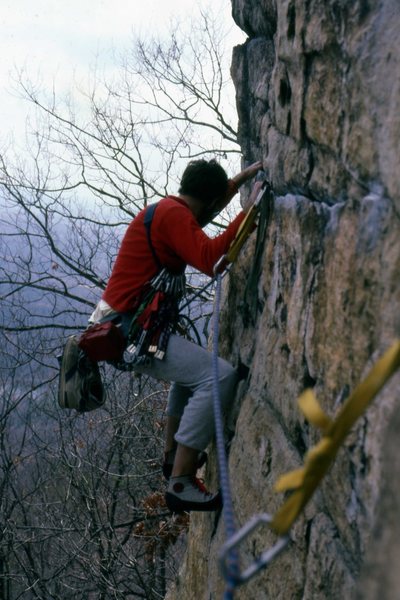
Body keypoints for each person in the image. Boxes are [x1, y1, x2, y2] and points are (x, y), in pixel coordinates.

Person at [89, 158, 263, 512]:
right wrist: (249, 210)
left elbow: (203, 213)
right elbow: (213, 259)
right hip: (130, 330)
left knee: (190, 376)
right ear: (208, 200)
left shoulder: (170, 209)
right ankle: (181, 480)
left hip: (126, 327)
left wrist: (237, 182)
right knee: (217, 376)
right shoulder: (173, 216)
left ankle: (172, 455)